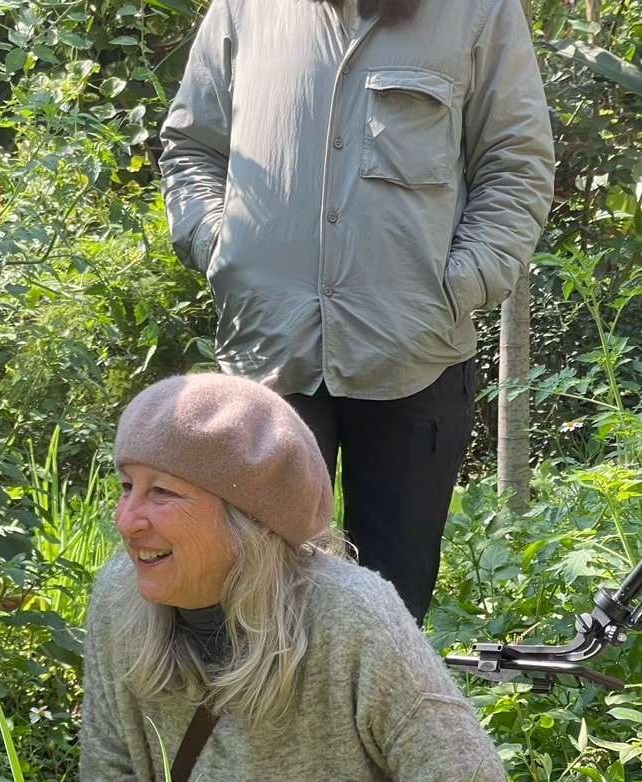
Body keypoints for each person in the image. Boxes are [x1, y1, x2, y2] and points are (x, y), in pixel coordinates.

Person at [10, 373, 546, 782]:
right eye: (127, 487)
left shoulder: (357, 618)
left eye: (162, 493)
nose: (127, 519)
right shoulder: (122, 599)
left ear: (248, 518)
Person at [157, 0, 556, 623]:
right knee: (257, 601)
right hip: (269, 353)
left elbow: (516, 164)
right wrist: (220, 247)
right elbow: (191, 148)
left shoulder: (479, 12)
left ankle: (373, 721)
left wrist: (461, 283)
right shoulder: (245, 9)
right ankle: (266, 723)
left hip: (415, 354)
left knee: (391, 609)